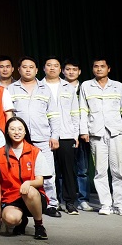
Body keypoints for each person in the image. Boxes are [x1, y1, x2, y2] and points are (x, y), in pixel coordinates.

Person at [79, 57, 122, 216]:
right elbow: (83, 109)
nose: (99, 69)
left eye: (102, 66)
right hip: (96, 133)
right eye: (96, 66)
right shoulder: (86, 86)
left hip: (117, 132)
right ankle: (105, 204)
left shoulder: (118, 86)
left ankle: (120, 205)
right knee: (100, 171)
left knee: (119, 171)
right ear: (92, 69)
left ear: (108, 69)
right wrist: (84, 131)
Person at [9, 56, 61, 217]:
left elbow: (53, 115)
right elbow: (9, 115)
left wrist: (55, 136)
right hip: (19, 139)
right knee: (19, 173)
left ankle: (52, 204)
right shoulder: (11, 89)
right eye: (24, 67)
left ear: (37, 70)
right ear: (19, 70)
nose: (28, 70)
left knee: (48, 172)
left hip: (43, 138)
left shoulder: (45, 89)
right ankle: (21, 202)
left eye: (31, 67)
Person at [0, 116, 49, 240]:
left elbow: (40, 181)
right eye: (13, 129)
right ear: (7, 132)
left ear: (25, 131)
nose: (17, 132)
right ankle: (21, 221)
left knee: (29, 191)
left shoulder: (35, 152)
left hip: (33, 196)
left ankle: (39, 225)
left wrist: (29, 183)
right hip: (11, 197)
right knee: (10, 219)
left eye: (20, 129)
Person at [43, 56, 82, 214]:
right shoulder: (39, 86)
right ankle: (52, 202)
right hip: (45, 134)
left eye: (56, 65)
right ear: (44, 68)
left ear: (60, 69)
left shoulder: (68, 88)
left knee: (68, 170)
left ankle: (70, 202)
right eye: (49, 65)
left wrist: (75, 134)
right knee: (48, 171)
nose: (52, 68)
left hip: (66, 135)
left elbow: (75, 113)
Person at [63, 59, 92, 212]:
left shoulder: (85, 88)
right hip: (64, 133)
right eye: (68, 69)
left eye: (74, 69)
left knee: (83, 170)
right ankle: (62, 199)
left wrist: (84, 131)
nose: (71, 72)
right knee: (62, 169)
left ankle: (83, 199)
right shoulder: (59, 87)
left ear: (79, 72)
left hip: (82, 133)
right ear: (63, 71)